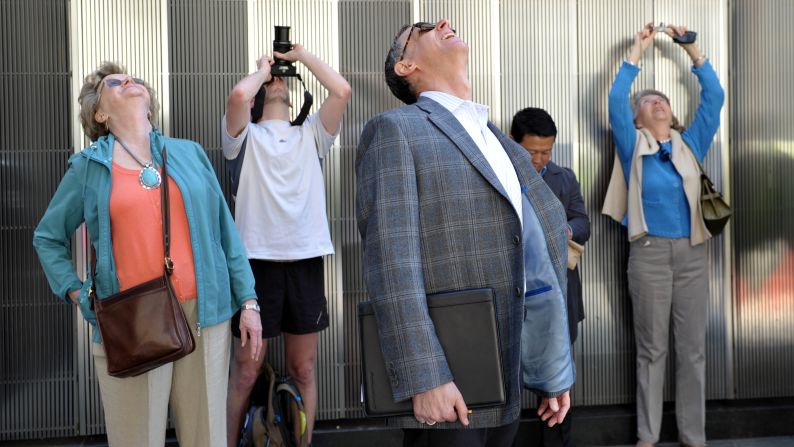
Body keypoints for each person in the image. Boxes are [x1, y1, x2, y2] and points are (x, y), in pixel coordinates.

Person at [356, 19, 574, 447]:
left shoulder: (498, 141)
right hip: (448, 381)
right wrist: (426, 375)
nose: (442, 23)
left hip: (506, 379)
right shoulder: (395, 130)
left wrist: (553, 370)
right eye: (421, 30)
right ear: (405, 67)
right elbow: (391, 262)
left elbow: (535, 261)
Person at [32, 62, 262, 447]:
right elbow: (47, 236)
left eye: (134, 79)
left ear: (150, 106)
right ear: (100, 113)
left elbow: (226, 231)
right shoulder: (88, 168)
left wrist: (249, 301)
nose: (129, 82)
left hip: (206, 313)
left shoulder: (188, 154)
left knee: (207, 437)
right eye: (115, 83)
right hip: (130, 321)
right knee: (137, 439)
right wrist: (77, 292)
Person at [603, 23, 725, 447]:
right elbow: (617, 98)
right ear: (637, 117)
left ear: (671, 113)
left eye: (661, 99)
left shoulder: (690, 144)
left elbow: (716, 98)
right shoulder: (631, 145)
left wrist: (693, 51)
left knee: (692, 351)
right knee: (652, 351)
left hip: (693, 254)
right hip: (649, 254)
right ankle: (647, 437)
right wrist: (637, 51)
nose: (655, 102)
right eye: (647, 101)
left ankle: (694, 437)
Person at [222, 44, 351, 446]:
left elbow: (342, 91)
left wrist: (299, 56)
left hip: (306, 261)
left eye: (281, 81)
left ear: (293, 94)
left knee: (305, 368)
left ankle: (304, 441)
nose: (277, 82)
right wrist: (264, 70)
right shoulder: (242, 137)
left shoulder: (311, 133)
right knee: (246, 369)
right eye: (269, 83)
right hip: (254, 266)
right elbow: (239, 97)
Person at [511, 107, 591, 447]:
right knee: (509, 377)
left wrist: (564, 231)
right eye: (532, 152)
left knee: (557, 381)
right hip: (516, 294)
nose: (540, 159)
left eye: (547, 151)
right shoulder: (501, 175)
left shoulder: (564, 177)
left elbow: (582, 222)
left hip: (558, 295)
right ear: (514, 144)